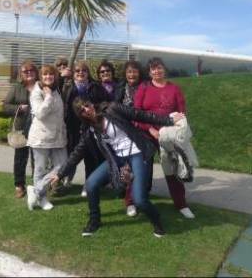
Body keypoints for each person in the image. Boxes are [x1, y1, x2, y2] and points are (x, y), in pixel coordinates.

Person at [50, 99, 184, 237]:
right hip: (117, 159)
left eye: (87, 105)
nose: (87, 110)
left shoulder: (112, 109)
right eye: (82, 110)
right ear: (80, 115)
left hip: (137, 153)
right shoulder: (90, 130)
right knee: (91, 184)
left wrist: (168, 120)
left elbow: (139, 115)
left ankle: (156, 220)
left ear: (91, 103)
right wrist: (60, 174)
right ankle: (94, 220)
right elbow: (77, 153)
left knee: (139, 200)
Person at [134, 57, 195, 219]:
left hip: (168, 135)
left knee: (172, 169)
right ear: (149, 72)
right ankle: (132, 202)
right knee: (141, 168)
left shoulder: (174, 89)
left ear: (164, 69)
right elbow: (137, 113)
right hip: (146, 134)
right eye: (153, 69)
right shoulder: (144, 88)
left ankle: (181, 204)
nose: (156, 71)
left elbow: (181, 114)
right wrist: (151, 129)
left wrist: (172, 130)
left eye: (159, 68)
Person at [61, 60, 111, 195]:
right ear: (73, 73)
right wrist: (62, 77)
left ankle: (88, 184)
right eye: (77, 71)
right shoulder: (68, 86)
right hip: (73, 128)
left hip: (91, 126)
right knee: (73, 154)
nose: (80, 73)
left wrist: (97, 115)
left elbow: (105, 103)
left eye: (84, 70)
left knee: (90, 157)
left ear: (88, 73)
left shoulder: (96, 87)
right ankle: (67, 179)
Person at [26, 65, 67, 211]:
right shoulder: (37, 92)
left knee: (63, 166)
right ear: (40, 77)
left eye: (51, 74)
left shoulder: (56, 90)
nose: (48, 77)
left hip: (57, 137)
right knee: (40, 169)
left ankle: (35, 190)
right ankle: (42, 199)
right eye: (45, 75)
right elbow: (40, 114)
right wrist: (48, 96)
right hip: (41, 138)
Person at [3, 60, 38, 199]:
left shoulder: (40, 86)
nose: (29, 73)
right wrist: (18, 108)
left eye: (31, 70)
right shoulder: (16, 88)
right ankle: (19, 185)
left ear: (36, 72)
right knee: (20, 159)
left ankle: (37, 185)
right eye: (25, 71)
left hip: (38, 128)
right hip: (22, 129)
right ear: (21, 74)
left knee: (38, 159)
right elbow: (5, 106)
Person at [114, 60, 145, 217]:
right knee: (128, 168)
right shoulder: (120, 88)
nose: (131, 75)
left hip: (143, 132)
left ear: (139, 73)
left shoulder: (145, 87)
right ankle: (130, 202)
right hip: (125, 132)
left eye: (134, 71)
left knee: (144, 168)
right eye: (129, 72)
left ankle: (142, 197)